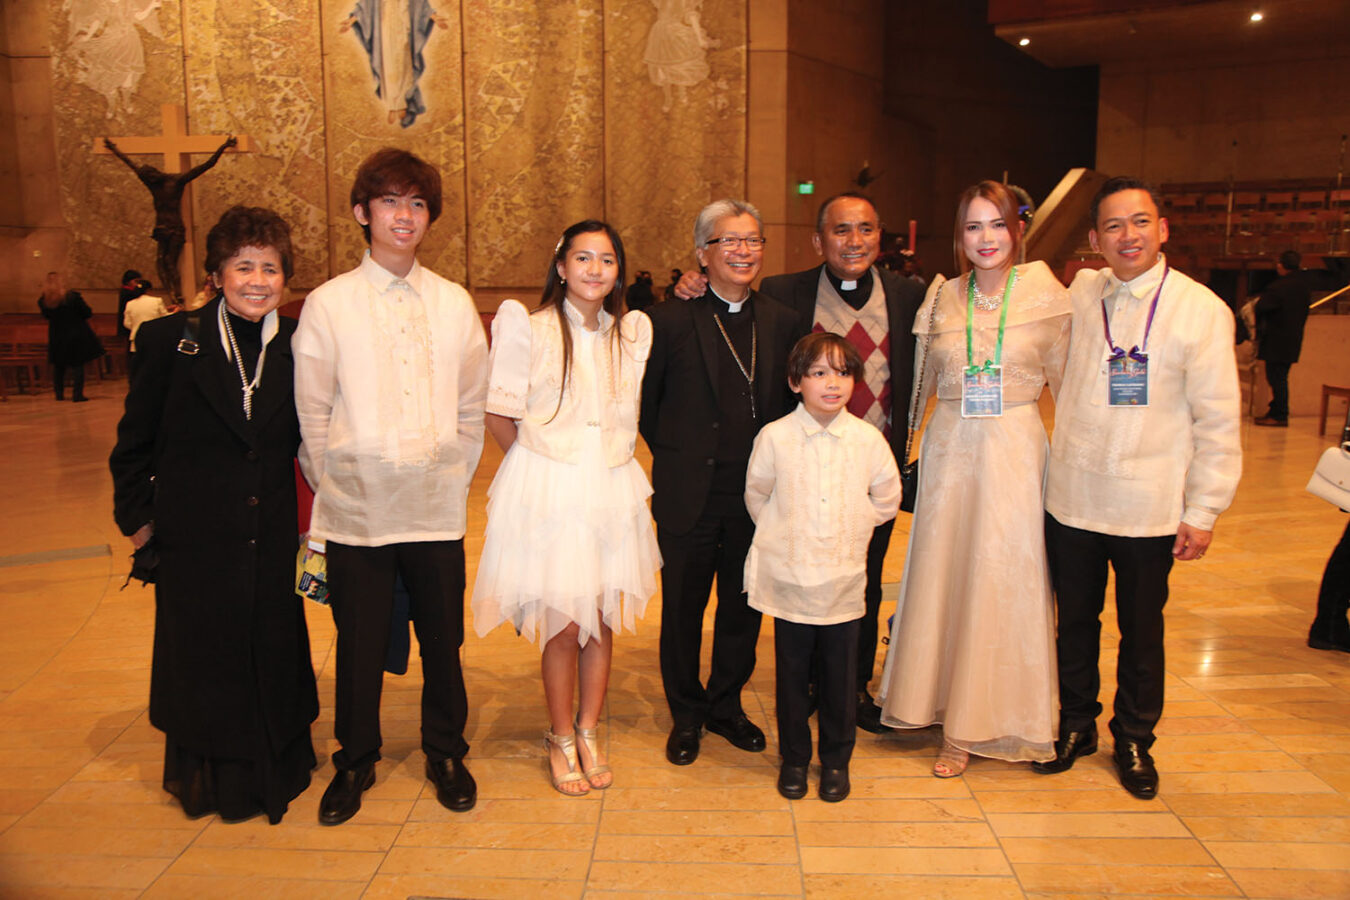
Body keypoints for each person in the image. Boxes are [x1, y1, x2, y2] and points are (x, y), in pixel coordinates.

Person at [676, 191, 924, 732]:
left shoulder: (911, 296)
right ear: (818, 240)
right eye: (840, 230)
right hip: (798, 471)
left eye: (864, 230)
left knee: (860, 578)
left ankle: (849, 687)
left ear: (880, 237)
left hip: (866, 467)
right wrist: (690, 283)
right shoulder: (787, 293)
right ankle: (801, 688)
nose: (853, 241)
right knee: (797, 582)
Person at [294, 148, 488, 826]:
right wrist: (343, 482)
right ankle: (356, 759)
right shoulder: (329, 304)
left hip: (435, 509)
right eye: (389, 203)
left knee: (442, 640)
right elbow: (312, 413)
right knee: (359, 643)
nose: (404, 216)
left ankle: (445, 750)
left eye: (416, 204)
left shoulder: (454, 303)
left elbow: (471, 406)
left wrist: (449, 473)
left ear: (428, 216)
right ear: (362, 213)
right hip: (358, 512)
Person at [108, 206, 319, 824]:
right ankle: (215, 784)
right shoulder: (170, 342)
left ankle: (278, 769)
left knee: (272, 651)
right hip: (195, 541)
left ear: (286, 278)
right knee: (206, 660)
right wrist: (141, 521)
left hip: (271, 535)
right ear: (218, 275)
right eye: (244, 266)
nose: (258, 281)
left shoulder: (301, 348)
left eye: (271, 269)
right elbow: (133, 443)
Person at [1037, 176, 1242, 800]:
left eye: (1141, 222)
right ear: (1095, 238)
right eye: (1115, 226)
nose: (1129, 236)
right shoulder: (1078, 292)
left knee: (1141, 629)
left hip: (1149, 505)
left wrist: (1203, 507)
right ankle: (1077, 724)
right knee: (1073, 622)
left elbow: (1218, 418)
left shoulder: (1201, 309)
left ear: (1163, 229)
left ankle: (1133, 737)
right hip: (1071, 496)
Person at [876, 180, 1071, 777]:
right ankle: (934, 704)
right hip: (950, 454)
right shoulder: (939, 299)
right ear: (959, 235)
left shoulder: (1049, 295)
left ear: (1018, 229)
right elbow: (914, 392)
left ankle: (985, 721)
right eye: (972, 227)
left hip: (1014, 453)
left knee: (1003, 580)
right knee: (944, 574)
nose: (986, 239)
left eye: (997, 225)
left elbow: (1071, 394)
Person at [472, 221, 659, 795]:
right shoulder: (527, 328)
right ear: (561, 266)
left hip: (611, 484)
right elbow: (499, 412)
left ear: (618, 270)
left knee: (600, 619)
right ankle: (557, 735)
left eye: (606, 260)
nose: (595, 270)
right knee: (563, 621)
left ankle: (588, 729)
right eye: (583, 258)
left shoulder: (632, 332)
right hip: (550, 487)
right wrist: (534, 469)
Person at [640, 199, 799, 767]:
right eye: (728, 241)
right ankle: (686, 713)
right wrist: (682, 458)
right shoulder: (667, 321)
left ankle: (725, 705)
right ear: (702, 254)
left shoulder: (782, 320)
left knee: (741, 607)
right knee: (682, 610)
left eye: (752, 240)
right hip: (690, 494)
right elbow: (647, 409)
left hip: (755, 497)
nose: (743, 251)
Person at [745, 332, 901, 803]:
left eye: (842, 372)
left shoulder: (867, 439)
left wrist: (852, 528)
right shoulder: (775, 436)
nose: (831, 383)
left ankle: (836, 760)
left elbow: (888, 498)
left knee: (839, 678)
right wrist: (787, 535)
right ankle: (794, 758)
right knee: (791, 676)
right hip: (791, 580)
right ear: (796, 382)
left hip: (844, 582)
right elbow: (758, 495)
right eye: (818, 373)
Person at [104, 135, 237, 302]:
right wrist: (114, 149)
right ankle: (172, 293)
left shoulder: (175, 181)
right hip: (161, 228)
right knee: (160, 262)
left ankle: (178, 294)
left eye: (152, 177)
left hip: (175, 228)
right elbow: (130, 164)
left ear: (156, 173)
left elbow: (205, 166)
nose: (151, 180)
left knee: (170, 262)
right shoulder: (152, 183)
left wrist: (223, 147)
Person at [340, 0, 449, 127]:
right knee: (387, 66)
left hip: (403, 31)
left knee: (404, 66)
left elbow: (420, 4)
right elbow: (366, 5)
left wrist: (434, 17)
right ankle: (392, 106)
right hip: (384, 32)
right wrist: (351, 21)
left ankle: (402, 103)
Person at [1253, 249, 1313, 427]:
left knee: (1276, 378)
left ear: (1281, 266)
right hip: (1293, 339)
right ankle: (1276, 411)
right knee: (1281, 377)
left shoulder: (1279, 287)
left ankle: (1279, 414)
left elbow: (1262, 307)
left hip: (1277, 341)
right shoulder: (1303, 287)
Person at [38, 271, 104, 402]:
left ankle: (59, 394)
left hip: (57, 334)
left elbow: (46, 316)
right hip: (75, 333)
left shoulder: (44, 300)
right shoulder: (72, 297)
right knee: (78, 364)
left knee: (59, 365)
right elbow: (87, 312)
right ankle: (77, 394)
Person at [116, 269, 146, 341]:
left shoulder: (128, 291)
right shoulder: (127, 292)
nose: (137, 285)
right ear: (127, 282)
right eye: (136, 281)